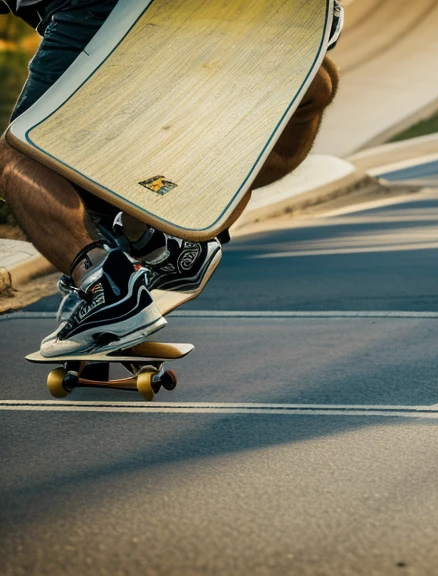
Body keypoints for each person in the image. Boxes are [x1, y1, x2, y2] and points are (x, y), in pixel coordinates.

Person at [0, 0, 341, 357]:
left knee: (21, 155)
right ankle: (159, 238)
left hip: (87, 10)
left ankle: (106, 285)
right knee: (313, 85)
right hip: (185, 12)